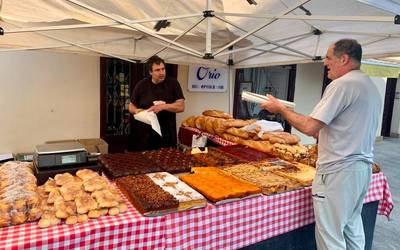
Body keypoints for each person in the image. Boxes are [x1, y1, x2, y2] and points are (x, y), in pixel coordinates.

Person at [260, 39, 382, 250]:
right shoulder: (369, 84)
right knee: (352, 229)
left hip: (338, 172)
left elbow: (310, 127)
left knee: (330, 236)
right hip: (361, 170)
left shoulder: (342, 85)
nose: (325, 63)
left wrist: (280, 109)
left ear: (344, 59)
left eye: (328, 57)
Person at [128, 55, 185, 151]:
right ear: (150, 72)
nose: (162, 72)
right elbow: (131, 105)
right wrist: (137, 110)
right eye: (157, 70)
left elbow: (181, 106)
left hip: (167, 134)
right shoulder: (142, 85)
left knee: (167, 162)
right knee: (146, 163)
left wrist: (163, 106)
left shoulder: (173, 83)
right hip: (145, 136)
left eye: (163, 69)